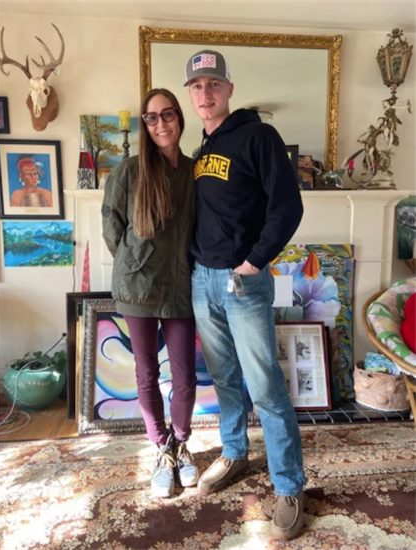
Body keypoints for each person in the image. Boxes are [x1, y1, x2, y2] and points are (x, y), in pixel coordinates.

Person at [184, 50, 305, 540]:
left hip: (243, 280)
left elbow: (287, 206)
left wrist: (255, 260)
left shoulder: (259, 136)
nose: (205, 93)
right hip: (203, 280)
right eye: (197, 86)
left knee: (265, 385)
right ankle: (235, 452)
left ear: (229, 89)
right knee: (225, 378)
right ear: (191, 95)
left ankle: (289, 485)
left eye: (214, 83)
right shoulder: (201, 150)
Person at [101, 88, 198, 499]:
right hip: (137, 287)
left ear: (180, 117)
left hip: (182, 286)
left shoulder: (195, 172)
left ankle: (181, 442)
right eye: (151, 117)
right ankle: (161, 449)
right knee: (147, 374)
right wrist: (133, 261)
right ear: (144, 124)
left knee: (185, 375)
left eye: (168, 114)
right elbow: (112, 226)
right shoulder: (130, 170)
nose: (161, 124)